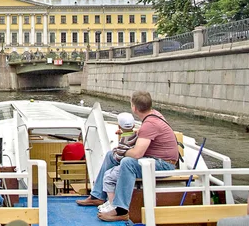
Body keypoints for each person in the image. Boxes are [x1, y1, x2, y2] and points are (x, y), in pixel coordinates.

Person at [76, 91, 178, 222]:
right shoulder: (154, 116)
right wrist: (123, 141)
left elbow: (137, 154)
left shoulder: (150, 124)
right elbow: (143, 135)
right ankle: (97, 196)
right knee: (110, 155)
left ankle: (121, 210)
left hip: (164, 164)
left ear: (134, 108)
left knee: (128, 163)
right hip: (156, 160)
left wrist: (122, 151)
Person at [98, 112, 138, 214]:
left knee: (107, 177)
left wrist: (116, 151)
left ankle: (113, 205)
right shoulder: (136, 135)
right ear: (134, 125)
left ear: (119, 126)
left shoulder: (124, 140)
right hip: (136, 162)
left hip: (128, 164)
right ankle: (109, 201)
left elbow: (117, 158)